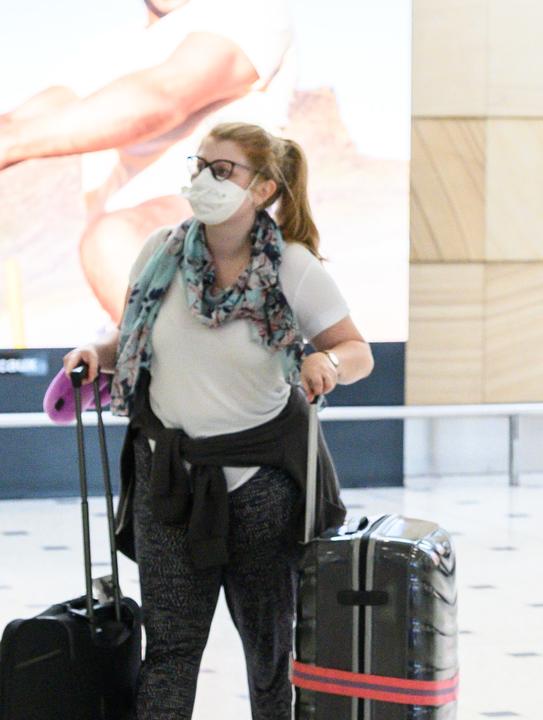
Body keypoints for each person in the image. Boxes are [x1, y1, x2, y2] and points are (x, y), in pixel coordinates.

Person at [62, 122, 373, 720]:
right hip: (169, 485)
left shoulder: (294, 268)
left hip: (263, 488)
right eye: (198, 165)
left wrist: (326, 361)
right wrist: (94, 356)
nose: (203, 180)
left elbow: (357, 351)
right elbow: (128, 336)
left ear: (262, 189)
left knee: (269, 653)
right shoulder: (160, 254)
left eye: (222, 169)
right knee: (171, 651)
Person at [0, 0, 294, 322]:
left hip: (226, 243)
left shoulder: (246, 12)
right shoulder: (110, 50)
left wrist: (10, 142)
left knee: (114, 239)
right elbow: (26, 119)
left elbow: (164, 96)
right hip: (134, 289)